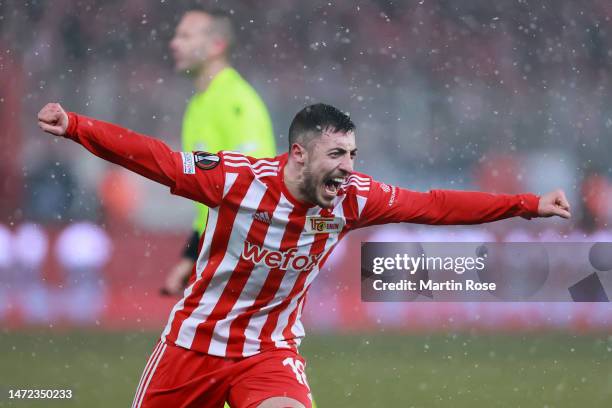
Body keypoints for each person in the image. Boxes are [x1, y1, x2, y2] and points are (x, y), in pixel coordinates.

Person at [37, 102, 571, 408]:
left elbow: (432, 204)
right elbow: (156, 158)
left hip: (268, 353)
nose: (348, 167)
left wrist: (527, 204)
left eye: (353, 154)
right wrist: (78, 128)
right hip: (193, 344)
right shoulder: (237, 180)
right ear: (298, 154)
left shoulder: (353, 197)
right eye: (336, 154)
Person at [165, 9, 276, 296]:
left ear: (217, 45)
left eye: (186, 36)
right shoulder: (197, 106)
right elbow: (208, 202)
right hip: (223, 256)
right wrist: (191, 256)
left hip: (244, 261)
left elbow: (259, 186)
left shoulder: (237, 102)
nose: (174, 43)